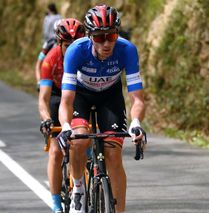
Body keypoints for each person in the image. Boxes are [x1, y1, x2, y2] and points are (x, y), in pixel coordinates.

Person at [57, 4, 146, 213]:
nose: (106, 43)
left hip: (110, 96)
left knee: (113, 154)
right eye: (99, 37)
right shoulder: (75, 51)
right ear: (89, 36)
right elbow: (66, 100)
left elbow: (138, 99)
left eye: (111, 36)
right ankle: (78, 189)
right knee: (80, 141)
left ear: (117, 34)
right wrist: (65, 126)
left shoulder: (127, 50)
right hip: (82, 96)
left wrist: (136, 123)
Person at [38, 18, 86, 213]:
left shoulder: (88, 55)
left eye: (76, 44)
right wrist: (47, 119)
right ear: (59, 44)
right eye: (68, 45)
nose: (72, 49)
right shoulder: (50, 60)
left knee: (86, 136)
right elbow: (43, 98)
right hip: (58, 95)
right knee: (56, 152)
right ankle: (56, 204)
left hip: (81, 92)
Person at [35, 20, 61, 91]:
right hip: (51, 79)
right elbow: (39, 64)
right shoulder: (50, 43)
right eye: (58, 32)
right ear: (54, 32)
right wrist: (39, 81)